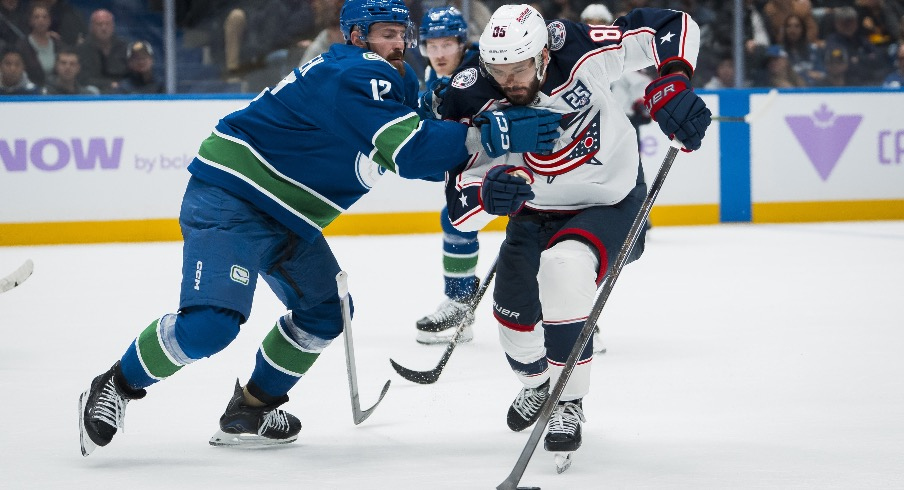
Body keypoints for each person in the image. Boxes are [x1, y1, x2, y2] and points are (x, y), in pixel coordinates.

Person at [76, 0, 559, 457]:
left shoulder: (395, 77)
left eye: (401, 34)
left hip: (288, 215)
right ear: (354, 36)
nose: (398, 44)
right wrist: (493, 134)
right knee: (210, 324)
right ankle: (115, 384)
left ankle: (251, 409)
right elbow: (411, 153)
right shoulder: (357, 72)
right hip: (233, 198)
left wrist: (473, 140)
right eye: (386, 35)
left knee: (327, 312)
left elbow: (428, 156)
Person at [439, 4, 711, 466]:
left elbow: (671, 24)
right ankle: (538, 388)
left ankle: (569, 403)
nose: (511, 82)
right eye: (499, 71)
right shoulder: (469, 94)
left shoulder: (578, 47)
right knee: (512, 321)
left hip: (609, 198)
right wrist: (485, 191)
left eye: (520, 68)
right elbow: (458, 208)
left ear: (544, 55)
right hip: (535, 209)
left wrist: (676, 78)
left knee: (564, 267)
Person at [413, 6, 484, 345]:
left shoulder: (483, 68)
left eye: (446, 45)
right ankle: (460, 306)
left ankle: (572, 322)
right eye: (432, 46)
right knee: (456, 219)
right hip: (473, 167)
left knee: (539, 238)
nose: (439, 54)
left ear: (461, 43)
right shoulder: (430, 76)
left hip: (520, 162)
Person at [75, 9, 128, 93]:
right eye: (99, 24)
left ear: (113, 26)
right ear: (91, 27)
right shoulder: (82, 49)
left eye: (107, 24)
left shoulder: (124, 47)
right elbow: (82, 78)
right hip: (92, 93)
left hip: (122, 92)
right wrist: (109, 84)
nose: (104, 28)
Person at [15, 3, 62, 88]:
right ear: (30, 21)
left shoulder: (58, 43)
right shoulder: (22, 46)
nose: (41, 20)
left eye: (45, 17)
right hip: (31, 91)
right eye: (36, 17)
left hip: (56, 90)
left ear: (50, 20)